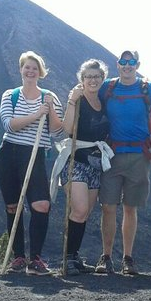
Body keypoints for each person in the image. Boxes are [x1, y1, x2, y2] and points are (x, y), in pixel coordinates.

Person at [96, 50, 151, 274]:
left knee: (129, 208)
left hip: (139, 156)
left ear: (138, 64)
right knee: (107, 206)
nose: (127, 66)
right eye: (124, 62)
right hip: (112, 155)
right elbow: (87, 92)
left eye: (132, 62)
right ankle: (106, 257)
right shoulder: (107, 88)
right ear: (117, 64)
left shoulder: (148, 90)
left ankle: (128, 259)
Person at [0, 51, 64, 275]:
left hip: (35, 157)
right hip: (10, 155)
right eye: (27, 67)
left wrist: (49, 109)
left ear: (40, 72)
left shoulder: (49, 96)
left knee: (41, 205)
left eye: (35, 68)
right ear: (21, 69)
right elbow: (9, 125)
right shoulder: (10, 94)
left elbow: (56, 131)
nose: (30, 71)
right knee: (13, 207)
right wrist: (37, 114)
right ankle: (18, 257)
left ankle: (35, 258)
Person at [50, 59, 113, 275]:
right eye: (89, 77)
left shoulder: (104, 102)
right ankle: (67, 258)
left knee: (85, 213)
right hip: (75, 161)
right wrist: (71, 101)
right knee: (79, 209)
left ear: (102, 79)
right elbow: (67, 129)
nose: (93, 80)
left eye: (97, 76)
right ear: (82, 80)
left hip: (94, 163)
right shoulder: (77, 100)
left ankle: (74, 256)